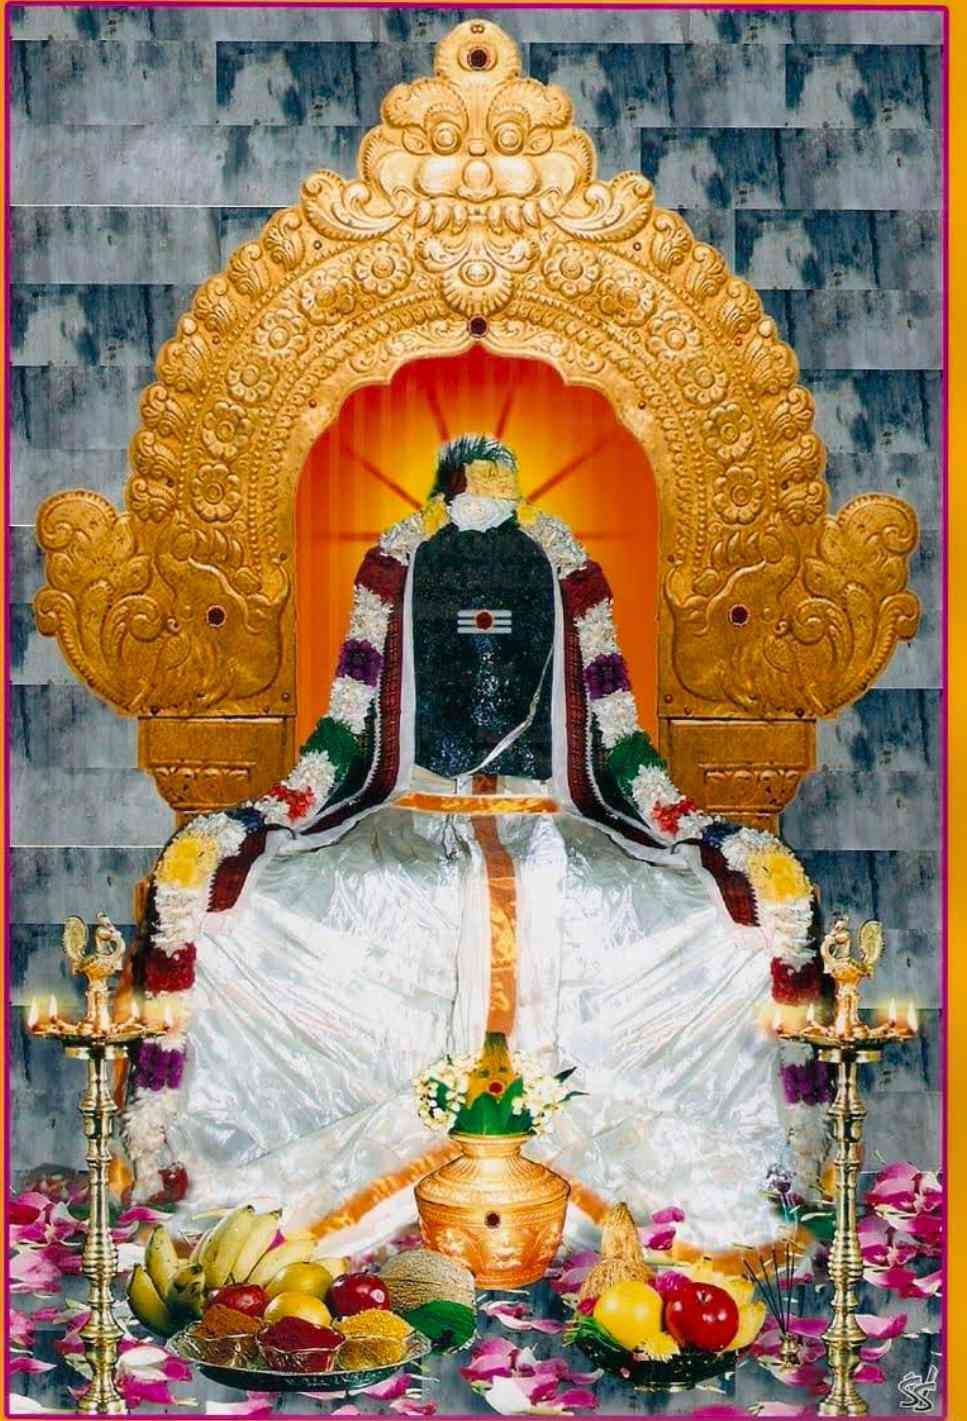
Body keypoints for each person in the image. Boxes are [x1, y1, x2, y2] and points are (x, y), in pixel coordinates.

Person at [124, 435, 829, 1253]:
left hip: (551, 810)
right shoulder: (400, 563)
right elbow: (351, 726)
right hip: (413, 801)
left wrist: (674, 822)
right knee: (292, 897)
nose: (486, 496)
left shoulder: (559, 565)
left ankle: (634, 1155)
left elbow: (612, 734)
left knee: (677, 903)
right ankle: (321, 1149)